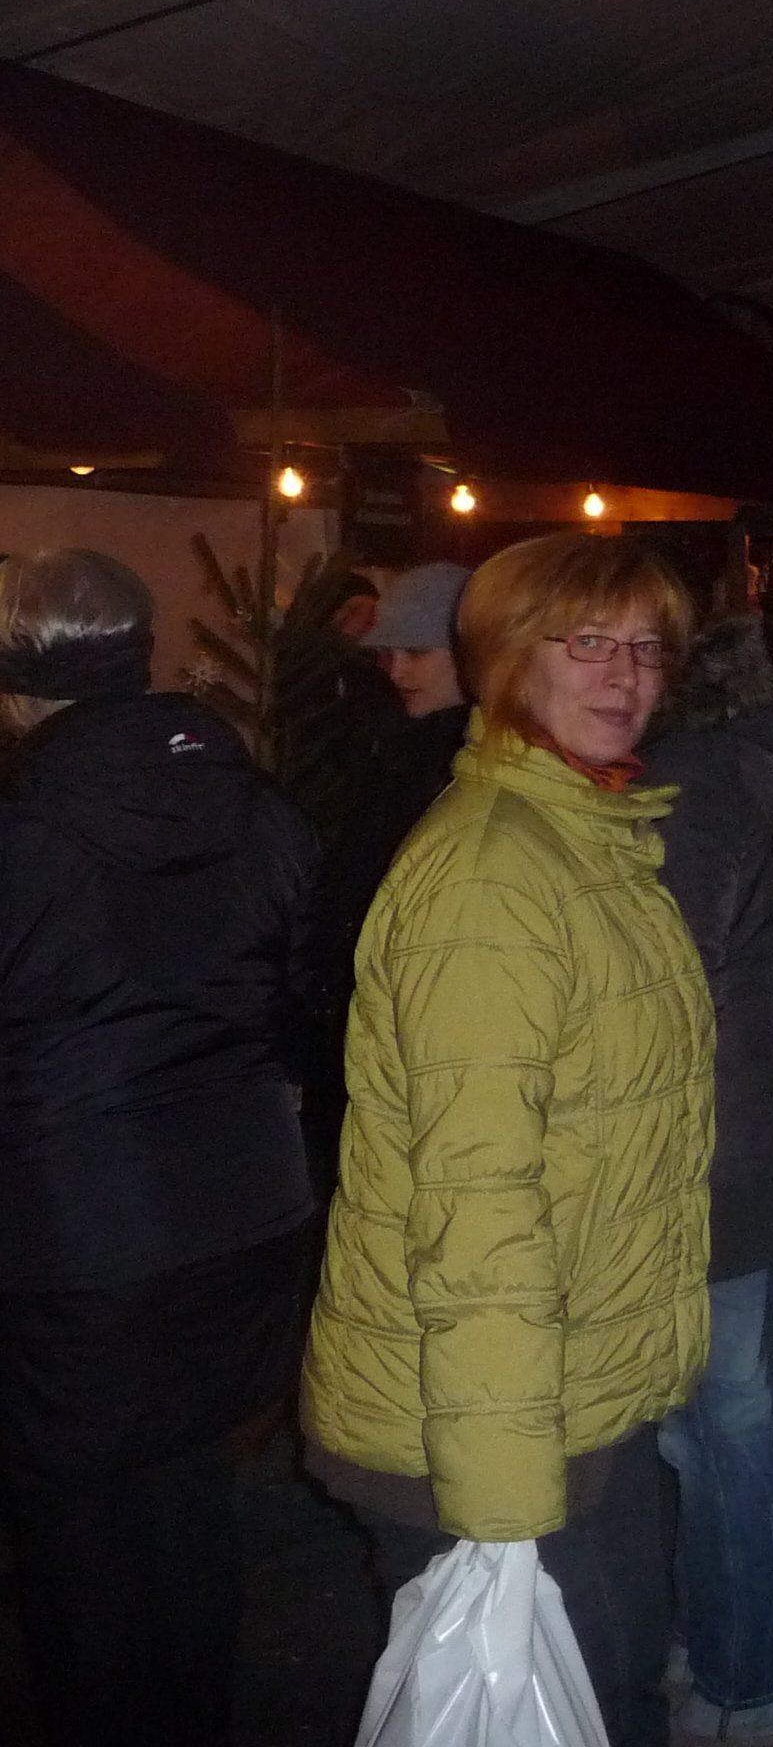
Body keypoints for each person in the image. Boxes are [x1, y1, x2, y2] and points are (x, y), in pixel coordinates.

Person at [300, 534, 712, 1747]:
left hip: (567, 1396)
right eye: (587, 642)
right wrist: (505, 1507)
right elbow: (477, 1204)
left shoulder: (583, 834)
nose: (625, 673)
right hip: (489, 1432)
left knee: (612, 1695)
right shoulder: (495, 880)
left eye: (646, 647)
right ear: (506, 659)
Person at [0, 550, 318, 1747]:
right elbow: (302, 1005)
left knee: (82, 1543)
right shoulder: (261, 809)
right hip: (247, 1215)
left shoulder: (22, 834)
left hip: (80, 1241)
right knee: (188, 1496)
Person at [641, 614, 773, 1745]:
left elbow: (670, 975)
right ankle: (722, 1648)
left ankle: (756, 1683)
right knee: (719, 1418)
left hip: (718, 1138)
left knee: (722, 1420)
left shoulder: (694, 780)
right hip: (762, 1120)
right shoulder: (759, 762)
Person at [298, 560, 473, 1190]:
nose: (396, 671)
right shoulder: (396, 745)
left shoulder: (461, 771)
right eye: (386, 654)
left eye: (416, 653)